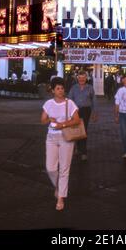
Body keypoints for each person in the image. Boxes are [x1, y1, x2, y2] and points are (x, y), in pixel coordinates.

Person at [41, 77, 80, 211]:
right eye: (57, 88)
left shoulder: (70, 104)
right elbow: (42, 120)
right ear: (52, 90)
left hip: (66, 138)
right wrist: (49, 119)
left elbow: (76, 120)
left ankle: (61, 198)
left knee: (64, 169)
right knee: (50, 167)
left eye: (62, 88)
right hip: (51, 138)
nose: (60, 91)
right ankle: (58, 187)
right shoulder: (48, 104)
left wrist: (62, 124)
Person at [68, 70, 97, 161]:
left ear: (86, 78)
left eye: (83, 78)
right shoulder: (74, 88)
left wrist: (94, 112)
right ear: (78, 78)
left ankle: (83, 152)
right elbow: (69, 100)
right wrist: (69, 113)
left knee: (83, 130)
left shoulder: (90, 88)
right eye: (80, 78)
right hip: (75, 111)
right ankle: (78, 148)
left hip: (86, 110)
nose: (82, 79)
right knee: (76, 129)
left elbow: (94, 101)